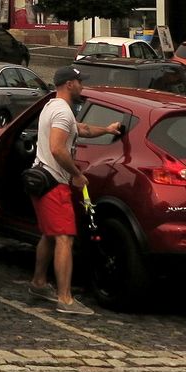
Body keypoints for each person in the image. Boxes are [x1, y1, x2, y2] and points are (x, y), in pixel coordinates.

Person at [28, 65, 122, 315]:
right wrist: (77, 174)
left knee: (49, 234)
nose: (82, 86)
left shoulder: (53, 106)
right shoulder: (61, 112)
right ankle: (65, 299)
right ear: (69, 84)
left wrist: (108, 130)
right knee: (64, 238)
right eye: (80, 82)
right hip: (53, 183)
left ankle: (38, 283)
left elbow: (81, 129)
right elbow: (58, 148)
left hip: (41, 179)